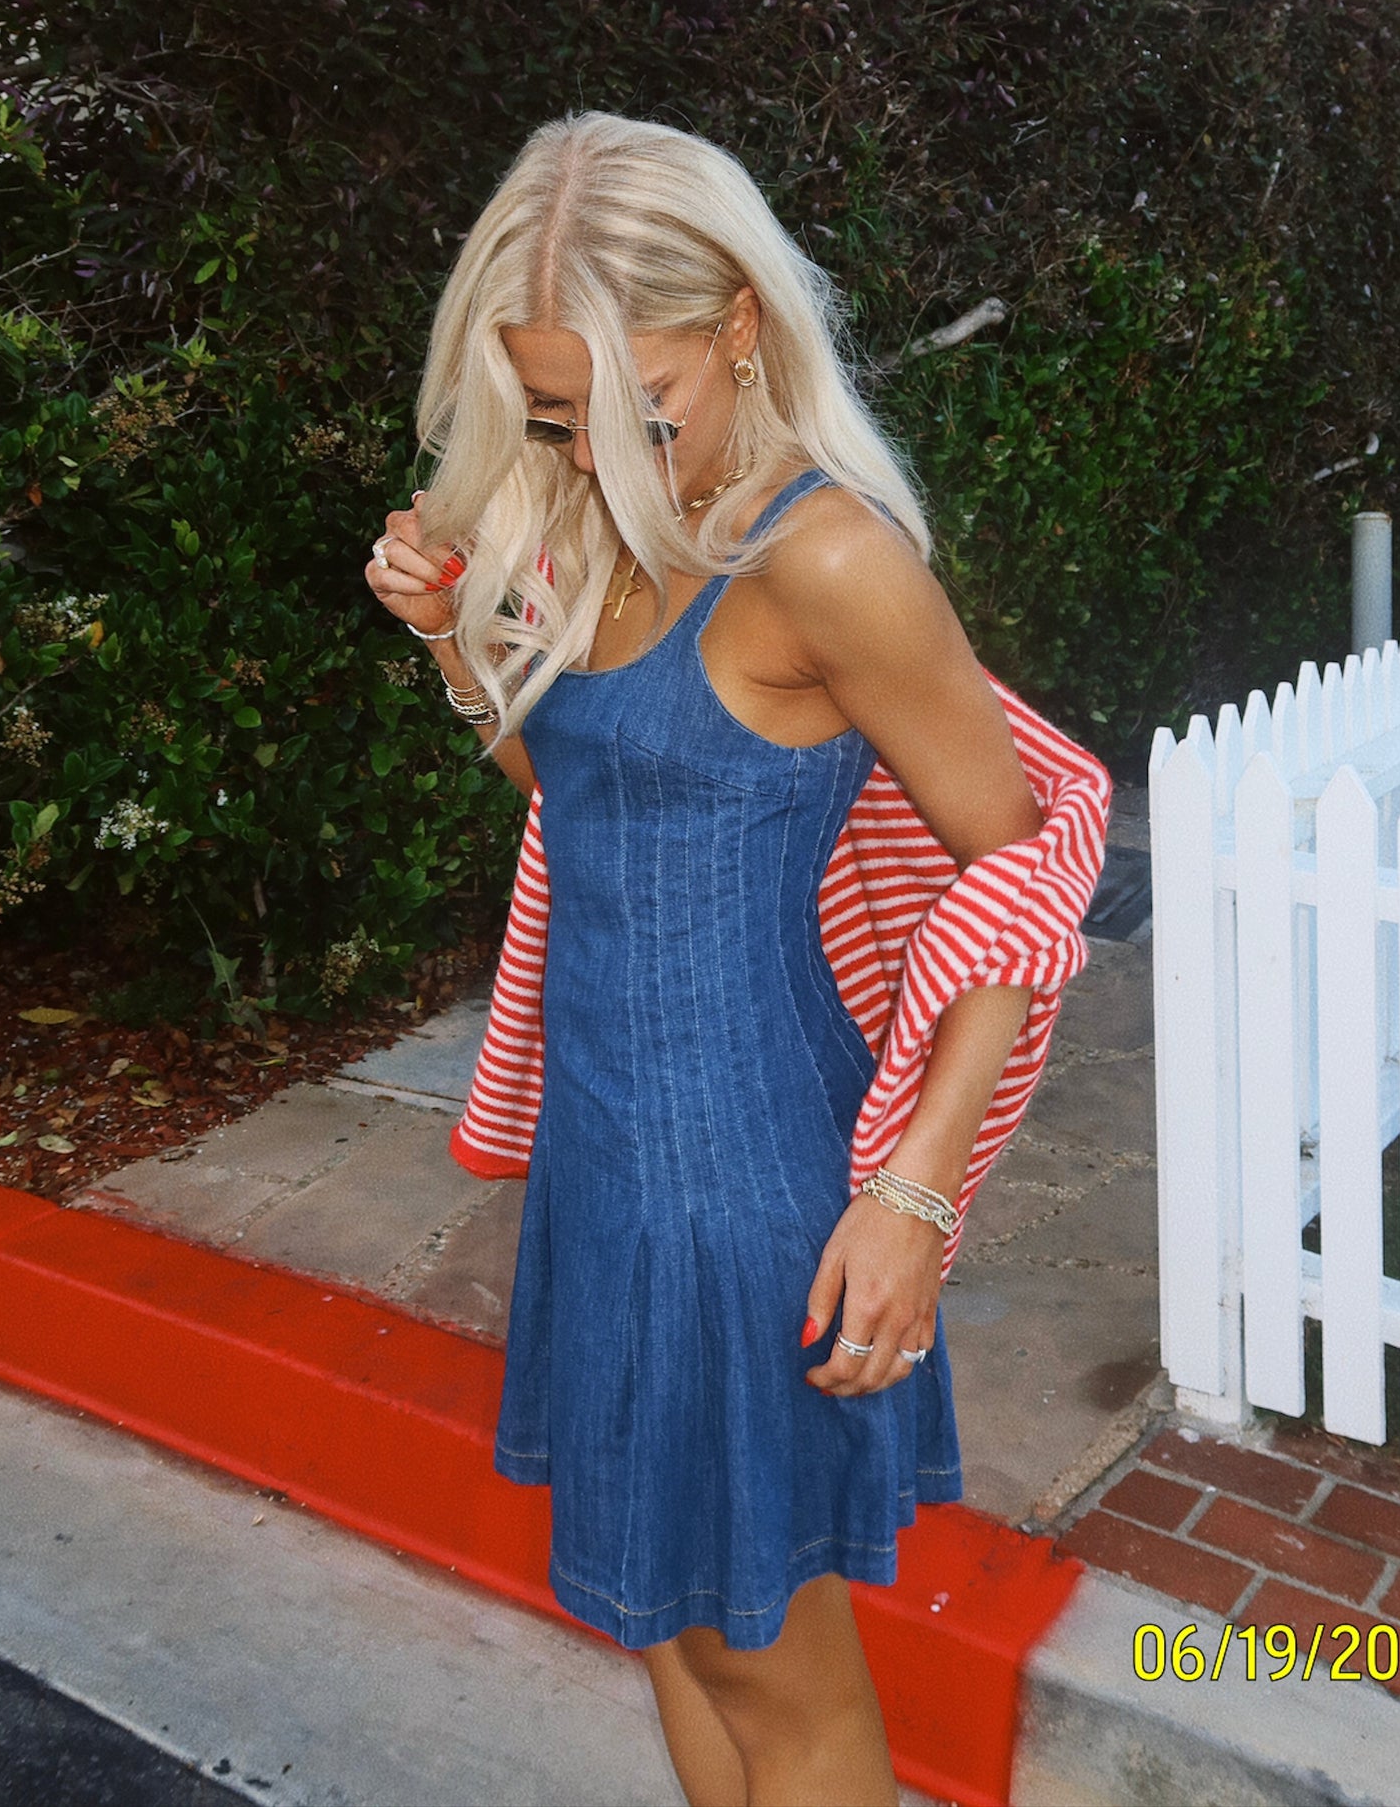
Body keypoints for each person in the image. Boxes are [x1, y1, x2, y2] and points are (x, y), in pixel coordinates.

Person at [363, 113, 1103, 1807]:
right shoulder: (601, 519)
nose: (598, 446)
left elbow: (1023, 877)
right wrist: (455, 643)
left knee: (781, 1683)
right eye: (555, 413)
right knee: (676, 1633)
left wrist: (911, 1198)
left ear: (742, 326)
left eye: (642, 403)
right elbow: (587, 800)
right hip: (604, 1162)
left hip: (743, 1191)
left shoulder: (824, 560)